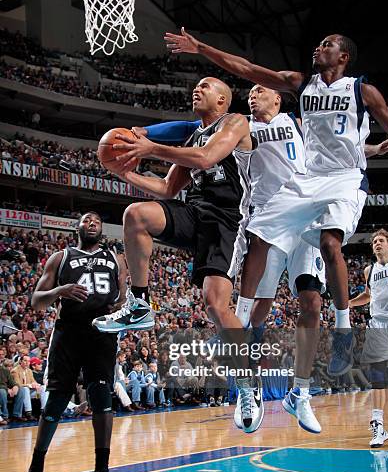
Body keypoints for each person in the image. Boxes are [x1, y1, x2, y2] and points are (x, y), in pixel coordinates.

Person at [122, 88, 388, 434]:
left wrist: (369, 150)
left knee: (310, 303)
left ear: (278, 100)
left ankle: (301, 394)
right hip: (269, 218)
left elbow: (332, 147)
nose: (252, 96)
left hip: (307, 215)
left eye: (260, 92)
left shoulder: (296, 123)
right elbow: (191, 129)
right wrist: (147, 134)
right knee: (256, 306)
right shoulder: (240, 126)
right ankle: (247, 370)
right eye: (249, 93)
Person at [164, 29, 388, 381]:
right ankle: (244, 325)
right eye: (319, 42)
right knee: (259, 236)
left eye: (328, 45)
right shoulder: (300, 84)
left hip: (345, 178)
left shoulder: (361, 90)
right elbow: (246, 67)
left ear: (343, 57)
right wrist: (200, 47)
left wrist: (374, 148)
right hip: (307, 179)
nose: (319, 47)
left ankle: (342, 330)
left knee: (329, 243)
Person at [93, 77, 263, 432]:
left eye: (205, 85)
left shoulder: (235, 122)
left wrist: (150, 148)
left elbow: (206, 157)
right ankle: (139, 304)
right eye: (195, 86)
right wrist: (125, 173)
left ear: (222, 98)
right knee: (136, 214)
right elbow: (168, 189)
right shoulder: (190, 137)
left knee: (215, 303)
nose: (196, 90)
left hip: (228, 221)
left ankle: (248, 383)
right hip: (194, 214)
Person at [21, 212, 126, 472]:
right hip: (68, 332)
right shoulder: (60, 257)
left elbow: (122, 299)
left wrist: (117, 315)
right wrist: (60, 290)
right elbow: (36, 301)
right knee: (55, 400)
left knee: (103, 400)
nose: (92, 223)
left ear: (102, 229)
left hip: (102, 334)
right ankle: (35, 471)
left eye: (96, 221)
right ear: (77, 227)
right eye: (86, 220)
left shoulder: (116, 259)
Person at [349, 229, 388, 447]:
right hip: (378, 324)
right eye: (374, 241)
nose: (377, 243)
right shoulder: (369, 270)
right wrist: (349, 303)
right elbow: (368, 295)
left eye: (381, 240)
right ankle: (378, 426)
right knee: (377, 376)